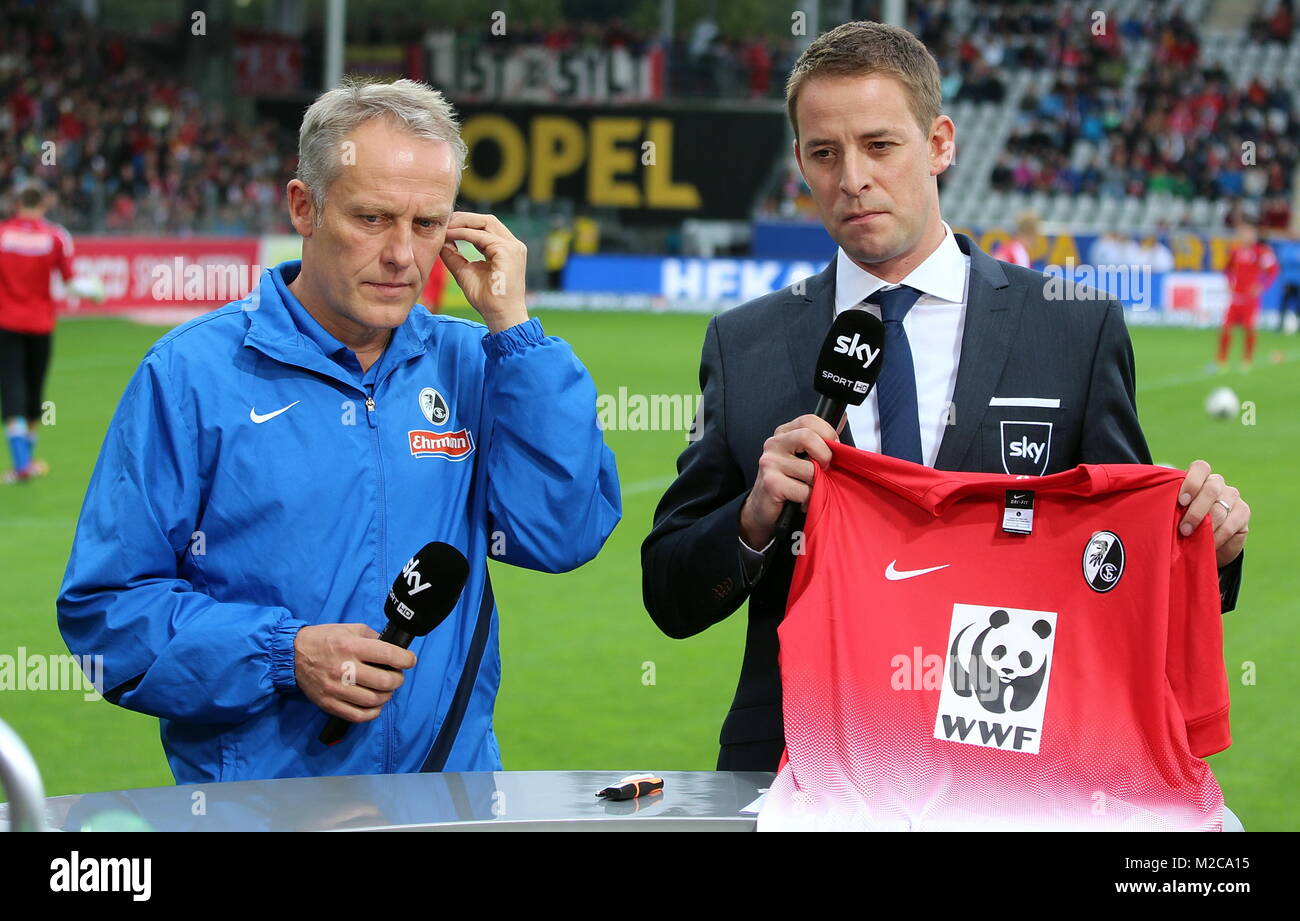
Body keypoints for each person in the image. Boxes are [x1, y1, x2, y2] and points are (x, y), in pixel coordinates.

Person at [641, 21, 1251, 774]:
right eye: (824, 153)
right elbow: (669, 591)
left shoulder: (1072, 328)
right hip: (799, 765)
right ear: (799, 161)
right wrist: (753, 518)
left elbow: (1119, 558)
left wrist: (1206, 548)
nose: (852, 177)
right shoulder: (746, 343)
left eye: (879, 144)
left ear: (939, 144)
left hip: (1009, 761)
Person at [57, 79, 622, 783]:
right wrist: (281, 653)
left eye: (427, 225)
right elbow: (106, 614)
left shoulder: (474, 363)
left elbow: (562, 535)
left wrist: (517, 334)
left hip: (448, 801)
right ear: (305, 207)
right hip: (262, 816)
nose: (402, 256)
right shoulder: (192, 374)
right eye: (373, 218)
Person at [0, 181, 96, 484]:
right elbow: (71, 281)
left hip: (7, 322)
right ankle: (26, 462)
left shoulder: (3, 234)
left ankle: (21, 465)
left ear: (16, 203)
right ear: (43, 204)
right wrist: (95, 292)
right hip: (41, 324)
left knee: (12, 387)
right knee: (35, 388)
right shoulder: (55, 236)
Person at [1217, 220, 1278, 371]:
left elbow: (1273, 271)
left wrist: (1261, 286)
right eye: (1243, 233)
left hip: (1250, 299)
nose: (1246, 236)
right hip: (1235, 298)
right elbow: (1227, 269)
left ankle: (1247, 360)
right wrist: (1229, 282)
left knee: (1249, 329)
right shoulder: (1236, 251)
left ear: (1254, 235)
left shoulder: (1261, 252)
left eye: (1249, 233)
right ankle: (1221, 361)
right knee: (1226, 328)